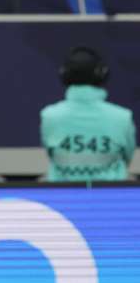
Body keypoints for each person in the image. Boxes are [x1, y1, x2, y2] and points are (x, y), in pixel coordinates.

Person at [41, 46, 136, 181]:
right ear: (102, 75)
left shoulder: (49, 116)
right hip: (112, 196)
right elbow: (127, 158)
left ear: (64, 75)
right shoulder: (123, 117)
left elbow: (51, 155)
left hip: (62, 196)